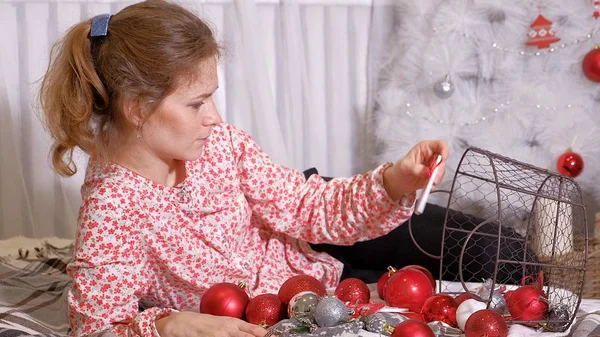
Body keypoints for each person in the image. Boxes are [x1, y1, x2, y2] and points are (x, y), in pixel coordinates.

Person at [39, 1, 448, 337]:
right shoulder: (113, 208)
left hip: (315, 230)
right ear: (137, 109)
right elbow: (97, 327)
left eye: (211, 98)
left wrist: (394, 181)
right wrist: (167, 324)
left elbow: (305, 204)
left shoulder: (222, 144)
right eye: (197, 103)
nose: (215, 117)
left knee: (478, 244)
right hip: (299, 293)